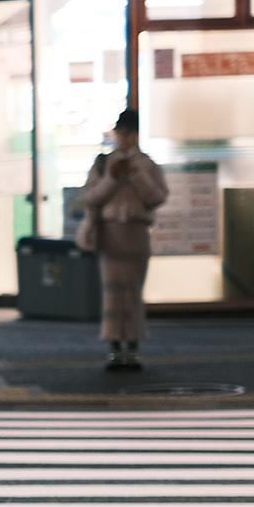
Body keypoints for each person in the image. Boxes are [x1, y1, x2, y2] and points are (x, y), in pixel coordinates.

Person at [78, 109, 170, 372]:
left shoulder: (149, 164)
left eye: (128, 132)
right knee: (112, 293)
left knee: (132, 293)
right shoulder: (104, 162)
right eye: (120, 132)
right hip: (110, 234)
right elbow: (91, 197)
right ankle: (115, 349)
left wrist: (135, 174)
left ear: (137, 134)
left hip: (136, 233)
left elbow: (156, 197)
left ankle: (132, 349)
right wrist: (113, 177)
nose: (124, 137)